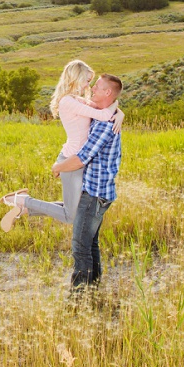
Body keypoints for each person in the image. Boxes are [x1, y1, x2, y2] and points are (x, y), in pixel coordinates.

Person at [0, 59, 122, 232]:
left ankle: (24, 209)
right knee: (70, 215)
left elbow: (104, 108)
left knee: (74, 208)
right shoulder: (68, 102)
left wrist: (119, 110)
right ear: (75, 78)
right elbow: (103, 115)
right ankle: (22, 200)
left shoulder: (77, 100)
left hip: (76, 160)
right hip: (72, 161)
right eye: (87, 80)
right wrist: (117, 110)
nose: (89, 86)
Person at [59, 73, 124, 290]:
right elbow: (105, 108)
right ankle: (94, 287)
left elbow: (81, 159)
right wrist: (118, 109)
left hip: (95, 194)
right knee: (91, 244)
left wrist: (57, 167)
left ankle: (79, 296)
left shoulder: (106, 125)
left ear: (107, 92)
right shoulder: (103, 114)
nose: (92, 89)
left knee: (80, 247)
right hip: (99, 191)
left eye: (97, 87)